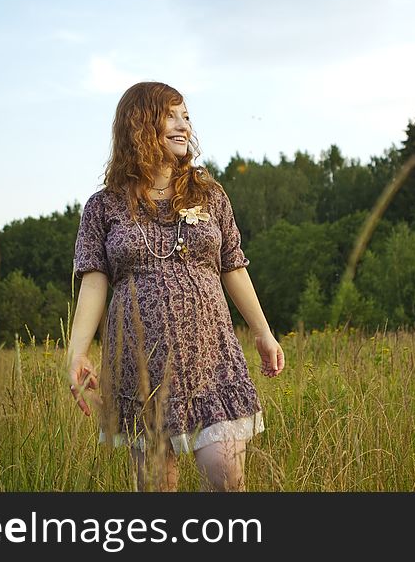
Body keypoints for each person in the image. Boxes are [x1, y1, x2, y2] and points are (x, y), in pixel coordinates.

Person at [67, 81, 285, 492]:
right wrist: (77, 351)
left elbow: (233, 266)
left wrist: (263, 332)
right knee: (156, 489)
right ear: (139, 123)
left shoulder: (210, 194)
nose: (183, 124)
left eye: (186, 116)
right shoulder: (103, 206)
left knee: (226, 477)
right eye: (171, 114)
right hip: (139, 362)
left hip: (211, 356)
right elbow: (94, 282)